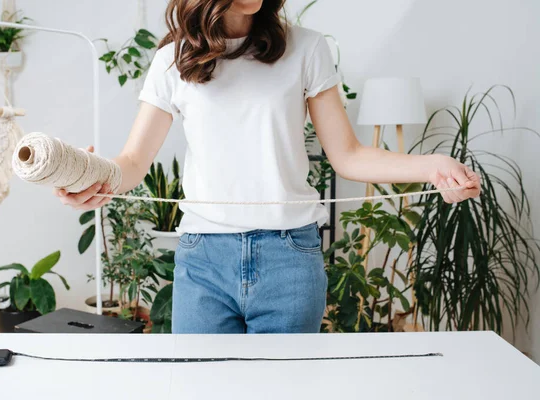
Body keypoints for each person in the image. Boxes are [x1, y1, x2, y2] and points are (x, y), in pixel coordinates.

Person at [55, 0, 481, 334]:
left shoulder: (307, 48)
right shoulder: (173, 59)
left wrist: (433, 166)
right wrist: (91, 175)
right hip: (204, 260)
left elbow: (348, 154)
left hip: (289, 259)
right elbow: (132, 162)